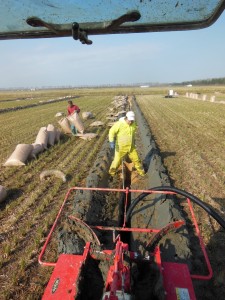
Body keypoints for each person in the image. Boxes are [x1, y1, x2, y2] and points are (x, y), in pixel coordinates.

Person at [109, 111, 145, 177]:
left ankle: (142, 173)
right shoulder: (119, 124)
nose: (130, 122)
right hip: (120, 147)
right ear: (126, 118)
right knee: (116, 162)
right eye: (129, 120)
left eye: (132, 120)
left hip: (131, 147)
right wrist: (111, 141)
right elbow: (111, 132)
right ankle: (112, 174)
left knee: (136, 160)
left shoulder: (134, 124)